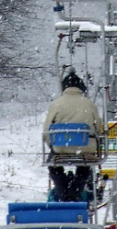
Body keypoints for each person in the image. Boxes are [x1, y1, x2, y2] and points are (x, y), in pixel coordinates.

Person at [43, 69, 103, 202]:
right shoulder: (89, 104)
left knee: (53, 166)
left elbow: (47, 130)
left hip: (61, 146)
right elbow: (98, 128)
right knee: (84, 166)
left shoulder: (56, 104)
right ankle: (75, 191)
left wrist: (52, 146)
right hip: (85, 147)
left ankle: (64, 191)